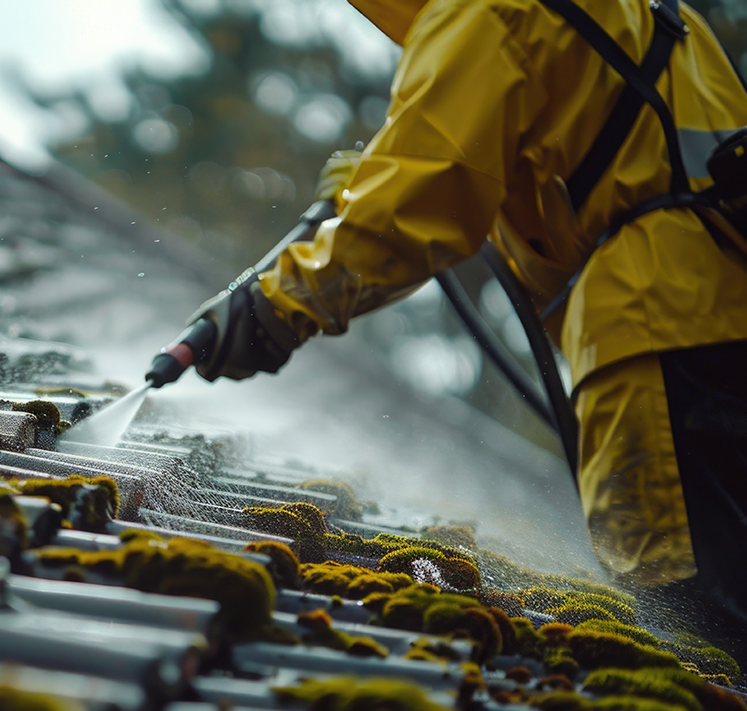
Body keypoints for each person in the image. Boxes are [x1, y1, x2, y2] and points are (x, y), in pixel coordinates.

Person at [184, 0, 747, 641]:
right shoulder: (657, 13)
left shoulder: (485, 7)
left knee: (696, 612)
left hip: (654, 329)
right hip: (719, 313)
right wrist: (361, 188)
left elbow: (425, 196)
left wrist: (275, 308)